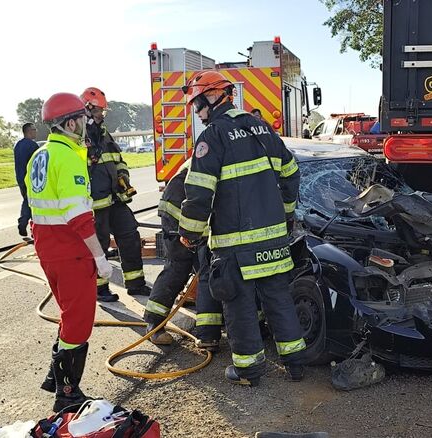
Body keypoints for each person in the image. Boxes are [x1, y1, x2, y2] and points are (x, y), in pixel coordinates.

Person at [179, 71, 306, 386]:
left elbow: (199, 193)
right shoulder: (262, 128)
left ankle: (248, 371)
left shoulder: (213, 137)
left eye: (197, 103)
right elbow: (290, 174)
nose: (197, 112)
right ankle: (296, 363)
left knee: (239, 304)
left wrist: (190, 233)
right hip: (275, 239)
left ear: (215, 96)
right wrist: (286, 215)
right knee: (279, 298)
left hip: (235, 245)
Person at [26, 92, 111, 412]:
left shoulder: (40, 155)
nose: (87, 127)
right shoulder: (67, 158)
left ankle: (55, 376)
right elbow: (78, 216)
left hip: (47, 248)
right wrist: (99, 257)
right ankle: (68, 393)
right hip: (70, 250)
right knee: (78, 322)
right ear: (71, 122)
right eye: (83, 121)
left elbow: (32, 199)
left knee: (67, 313)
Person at [142, 159, 223, 350]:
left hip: (193, 210)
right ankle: (155, 324)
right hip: (181, 211)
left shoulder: (224, 148)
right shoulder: (222, 153)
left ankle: (209, 333)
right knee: (183, 267)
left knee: (206, 270)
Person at [81, 87, 150, 301]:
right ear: (88, 109)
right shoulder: (79, 138)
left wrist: (123, 178)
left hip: (115, 199)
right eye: (100, 110)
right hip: (95, 204)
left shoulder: (104, 134)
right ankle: (99, 288)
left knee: (130, 235)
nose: (103, 114)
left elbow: (118, 160)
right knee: (99, 244)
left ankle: (136, 283)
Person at [13, 122, 38, 237]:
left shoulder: (18, 145)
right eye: (34, 129)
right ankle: (26, 225)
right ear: (29, 131)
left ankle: (28, 227)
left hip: (20, 178)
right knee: (32, 203)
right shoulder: (32, 146)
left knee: (27, 200)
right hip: (31, 179)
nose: (35, 131)